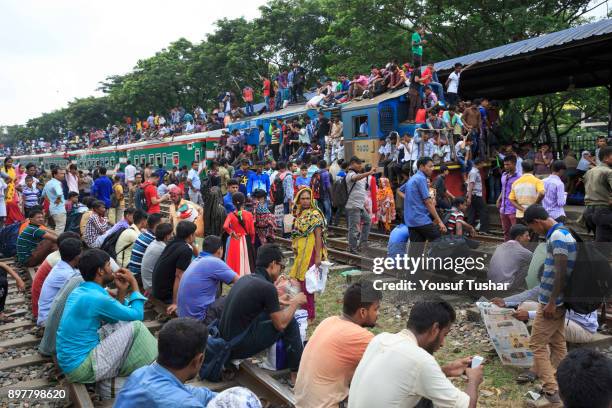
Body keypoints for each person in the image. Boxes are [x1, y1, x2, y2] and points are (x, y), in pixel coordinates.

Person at [349, 299, 484, 408]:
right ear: (435, 329)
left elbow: (406, 378)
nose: (443, 343)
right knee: (428, 400)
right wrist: (474, 380)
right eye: (445, 335)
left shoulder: (381, 339)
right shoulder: (420, 360)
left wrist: (446, 370)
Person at [56, 249, 157, 384]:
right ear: (100, 271)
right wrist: (134, 285)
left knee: (122, 324)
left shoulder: (81, 290)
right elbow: (137, 315)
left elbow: (114, 319)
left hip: (70, 362)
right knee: (137, 327)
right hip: (81, 368)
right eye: (109, 265)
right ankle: (157, 366)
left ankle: (147, 364)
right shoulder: (97, 298)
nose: (112, 269)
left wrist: (121, 291)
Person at [219, 244, 306, 384]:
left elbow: (258, 303)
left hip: (228, 342)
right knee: (290, 322)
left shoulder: (246, 279)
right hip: (238, 347)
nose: (280, 272)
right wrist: (295, 302)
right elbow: (281, 324)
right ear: (272, 264)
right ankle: (296, 374)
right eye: (281, 267)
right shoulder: (267, 288)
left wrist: (279, 301)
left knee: (277, 314)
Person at [294, 282, 381, 408]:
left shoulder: (329, 321)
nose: (378, 314)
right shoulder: (360, 337)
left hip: (301, 402)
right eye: (376, 309)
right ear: (362, 312)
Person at [522, 205, 575, 405]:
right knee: (558, 344)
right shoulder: (560, 233)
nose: (535, 232)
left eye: (533, 228)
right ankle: (564, 384)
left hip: (553, 302)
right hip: (556, 301)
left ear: (537, 222)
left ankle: (551, 388)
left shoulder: (557, 237)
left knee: (536, 344)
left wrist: (552, 301)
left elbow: (562, 271)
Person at [115, 318, 220, 407]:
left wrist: (228, 396)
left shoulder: (139, 374)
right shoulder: (185, 404)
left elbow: (190, 392)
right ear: (199, 359)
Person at [177, 236, 238, 324]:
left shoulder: (197, 260)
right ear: (220, 249)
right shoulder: (215, 262)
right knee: (231, 298)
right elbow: (240, 282)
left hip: (184, 315)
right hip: (200, 319)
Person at [289, 187, 327, 321]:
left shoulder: (315, 214)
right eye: (303, 198)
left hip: (310, 252)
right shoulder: (299, 214)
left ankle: (309, 315)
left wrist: (317, 257)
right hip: (300, 252)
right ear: (298, 199)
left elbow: (318, 236)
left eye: (307, 198)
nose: (305, 201)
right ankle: (301, 311)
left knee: (307, 284)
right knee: (298, 281)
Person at [400, 157, 447, 262]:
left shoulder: (413, 178)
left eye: (433, 166)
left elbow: (399, 190)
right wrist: (439, 222)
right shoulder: (421, 179)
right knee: (439, 239)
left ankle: (413, 277)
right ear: (421, 167)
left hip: (411, 221)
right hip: (420, 219)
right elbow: (428, 202)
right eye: (430, 166)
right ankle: (440, 266)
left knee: (415, 252)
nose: (432, 169)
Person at [152, 221, 198, 314]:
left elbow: (197, 254)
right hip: (166, 294)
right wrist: (175, 302)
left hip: (157, 288)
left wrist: (190, 243)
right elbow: (178, 276)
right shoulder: (185, 250)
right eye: (194, 234)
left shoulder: (173, 241)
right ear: (190, 235)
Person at [37, 238, 82, 327]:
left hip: (49, 314)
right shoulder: (66, 274)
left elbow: (80, 275)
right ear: (77, 257)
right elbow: (85, 289)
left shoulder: (62, 265)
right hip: (48, 320)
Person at [345, 157, 376, 253]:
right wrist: (369, 173)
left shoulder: (359, 174)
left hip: (360, 205)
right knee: (354, 228)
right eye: (358, 164)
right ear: (352, 164)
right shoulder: (350, 175)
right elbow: (355, 178)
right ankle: (352, 248)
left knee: (368, 221)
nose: (360, 166)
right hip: (353, 205)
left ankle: (362, 243)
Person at [487, 224, 532, 291]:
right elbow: (535, 260)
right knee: (530, 265)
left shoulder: (500, 246)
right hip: (505, 287)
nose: (529, 238)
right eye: (527, 236)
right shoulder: (524, 252)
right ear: (519, 237)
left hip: (490, 283)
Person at [583, 146, 612, 242]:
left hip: (588, 212)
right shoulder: (609, 172)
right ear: (607, 157)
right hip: (603, 212)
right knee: (604, 247)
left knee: (599, 243)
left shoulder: (589, 172)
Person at [223, 192, 255, 277]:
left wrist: (231, 233)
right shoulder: (249, 214)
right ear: (244, 202)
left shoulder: (230, 215)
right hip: (246, 239)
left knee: (236, 259)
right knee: (246, 258)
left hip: (235, 239)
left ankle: (236, 276)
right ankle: (246, 274)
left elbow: (225, 226)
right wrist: (252, 240)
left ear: (233, 203)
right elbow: (252, 231)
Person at [141, 223, 173, 293]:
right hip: (151, 286)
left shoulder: (154, 242)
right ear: (167, 236)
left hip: (146, 283)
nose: (172, 236)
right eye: (171, 234)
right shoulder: (162, 248)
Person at [497, 155, 520, 241]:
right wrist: (499, 199)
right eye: (505, 164)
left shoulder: (519, 177)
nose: (505, 166)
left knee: (515, 232)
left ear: (514, 164)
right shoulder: (503, 175)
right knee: (506, 231)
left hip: (513, 209)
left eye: (508, 164)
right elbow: (503, 189)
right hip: (503, 208)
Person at [466, 158, 490, 234]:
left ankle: (469, 230)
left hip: (473, 195)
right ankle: (483, 230)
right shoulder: (474, 172)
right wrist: (469, 197)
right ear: (479, 163)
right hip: (475, 195)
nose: (483, 165)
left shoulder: (474, 171)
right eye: (482, 163)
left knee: (471, 212)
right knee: (484, 210)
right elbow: (471, 184)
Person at [43, 167, 67, 235]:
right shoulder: (57, 183)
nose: (63, 175)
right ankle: (56, 243)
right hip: (59, 210)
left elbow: (43, 194)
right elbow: (59, 193)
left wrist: (51, 201)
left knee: (55, 227)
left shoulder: (48, 183)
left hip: (52, 208)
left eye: (63, 173)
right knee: (60, 228)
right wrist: (58, 199)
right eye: (61, 174)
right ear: (55, 175)